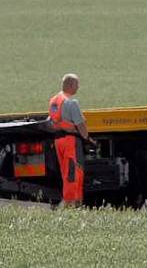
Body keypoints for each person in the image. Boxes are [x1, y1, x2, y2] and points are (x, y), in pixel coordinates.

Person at [48, 73, 93, 207]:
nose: (78, 87)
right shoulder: (71, 103)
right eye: (77, 84)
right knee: (73, 172)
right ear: (71, 85)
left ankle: (72, 202)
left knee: (66, 172)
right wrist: (87, 139)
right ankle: (72, 204)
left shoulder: (54, 101)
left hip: (58, 141)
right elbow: (80, 124)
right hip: (70, 141)